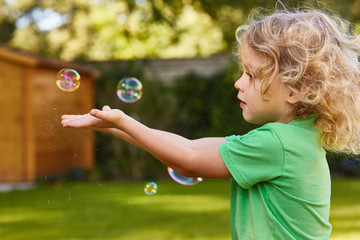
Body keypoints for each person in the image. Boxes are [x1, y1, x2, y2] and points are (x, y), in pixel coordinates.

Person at [61, 7, 360, 240]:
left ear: (295, 89)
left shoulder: (277, 143)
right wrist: (115, 126)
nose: (238, 83)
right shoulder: (294, 138)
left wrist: (124, 121)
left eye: (251, 75)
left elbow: (189, 161)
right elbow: (190, 146)